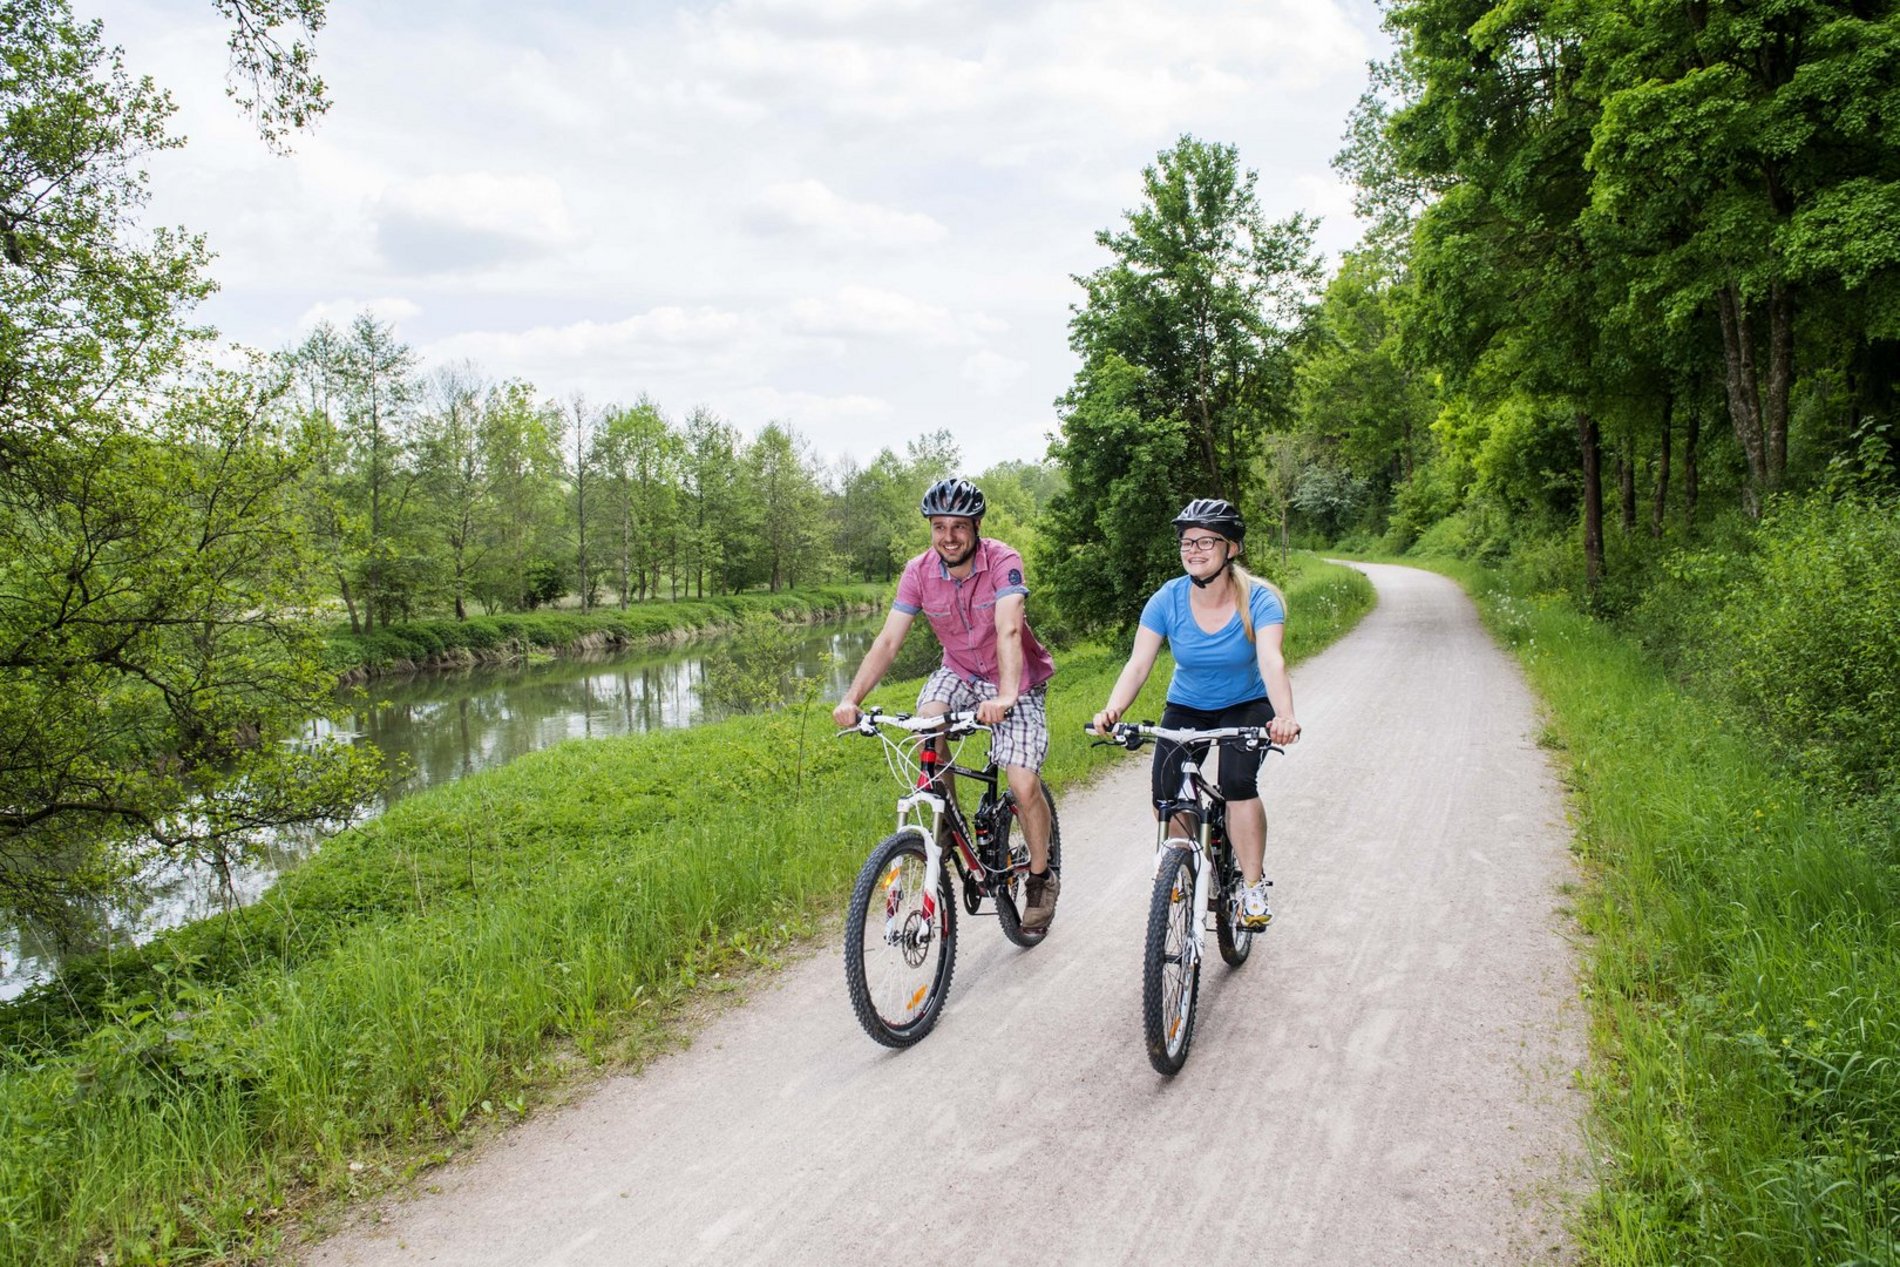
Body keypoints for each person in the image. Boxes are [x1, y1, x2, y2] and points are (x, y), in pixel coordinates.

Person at [834, 477, 1061, 930]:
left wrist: (1007, 695)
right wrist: (851, 698)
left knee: (1021, 783)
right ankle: (943, 823)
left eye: (959, 526)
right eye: (939, 526)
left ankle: (1040, 877)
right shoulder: (918, 571)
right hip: (958, 671)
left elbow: (1009, 630)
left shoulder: (1002, 561)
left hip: (1013, 678)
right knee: (928, 722)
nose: (949, 536)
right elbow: (888, 641)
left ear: (976, 527)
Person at [1090, 497, 1301, 929]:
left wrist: (1284, 715)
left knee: (1237, 783)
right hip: (1187, 705)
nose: (1195, 550)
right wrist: (1113, 709)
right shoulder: (1167, 599)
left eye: (1208, 541)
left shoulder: (1259, 599)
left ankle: (1252, 887)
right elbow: (1139, 663)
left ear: (1232, 549)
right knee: (1167, 795)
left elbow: (1271, 660)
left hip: (1246, 703)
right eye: (1188, 542)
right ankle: (1186, 867)